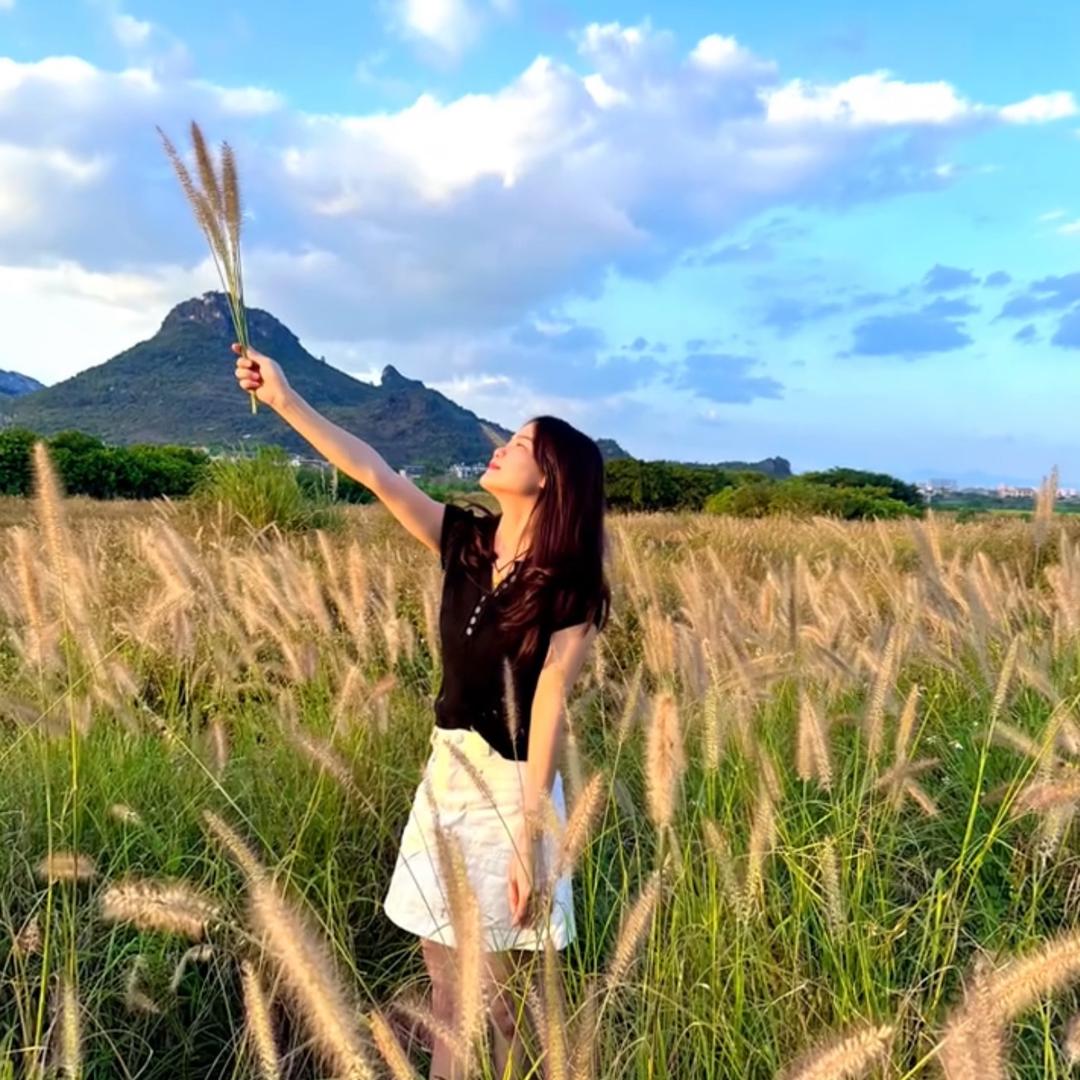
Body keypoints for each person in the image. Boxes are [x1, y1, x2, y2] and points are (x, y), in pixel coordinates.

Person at [233, 343, 610, 1078]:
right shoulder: (464, 542)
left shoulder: (570, 588)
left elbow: (548, 704)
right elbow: (373, 472)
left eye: (521, 444)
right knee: (447, 993)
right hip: (444, 781)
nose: (501, 447)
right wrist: (283, 399)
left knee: (493, 1006)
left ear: (551, 478)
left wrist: (530, 836)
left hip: (512, 793)